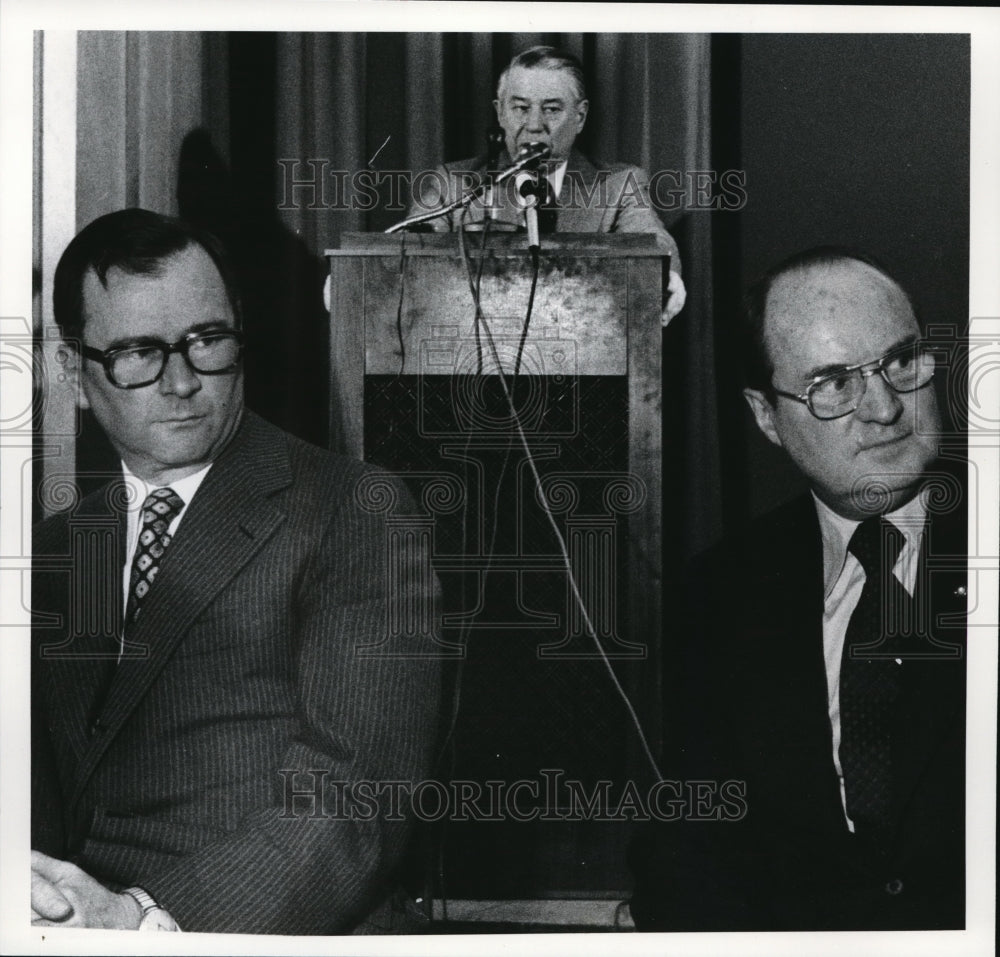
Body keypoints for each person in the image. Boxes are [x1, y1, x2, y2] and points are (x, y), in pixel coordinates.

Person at [30, 208, 441, 934]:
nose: (183, 381)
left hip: (248, 926)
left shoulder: (354, 511)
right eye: (138, 353)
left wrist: (140, 917)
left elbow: (354, 804)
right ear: (73, 373)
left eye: (207, 340)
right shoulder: (56, 545)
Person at [629, 248, 966, 930]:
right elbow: (685, 857)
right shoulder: (717, 594)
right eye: (833, 383)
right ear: (766, 417)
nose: (883, 407)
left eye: (901, 360)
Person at [407, 45, 686, 324]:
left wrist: (666, 273)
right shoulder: (454, 183)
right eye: (520, 108)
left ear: (580, 117)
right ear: (500, 113)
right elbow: (409, 248)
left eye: (551, 109)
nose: (534, 125)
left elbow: (653, 239)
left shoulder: (618, 185)